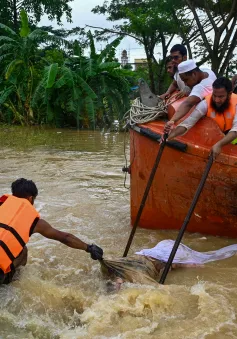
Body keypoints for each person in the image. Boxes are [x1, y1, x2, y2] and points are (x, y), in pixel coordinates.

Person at [0, 178, 104, 284]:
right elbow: (65, 238)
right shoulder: (35, 222)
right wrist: (89, 248)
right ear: (31, 199)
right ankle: (11, 285)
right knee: (23, 252)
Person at [101, 239, 237, 291]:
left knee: (183, 264)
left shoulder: (135, 271)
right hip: (149, 257)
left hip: (148, 257)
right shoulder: (137, 271)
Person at [168, 77, 237, 160]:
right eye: (214, 95)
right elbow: (188, 123)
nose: (217, 100)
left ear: (229, 94)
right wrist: (172, 135)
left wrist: (220, 144)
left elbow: (235, 129)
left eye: (221, 96)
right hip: (214, 140)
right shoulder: (205, 104)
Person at [164, 59, 217, 135]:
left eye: (186, 80)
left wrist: (173, 120)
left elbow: (188, 104)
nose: (185, 84)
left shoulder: (201, 88)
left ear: (194, 74)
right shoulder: (207, 71)